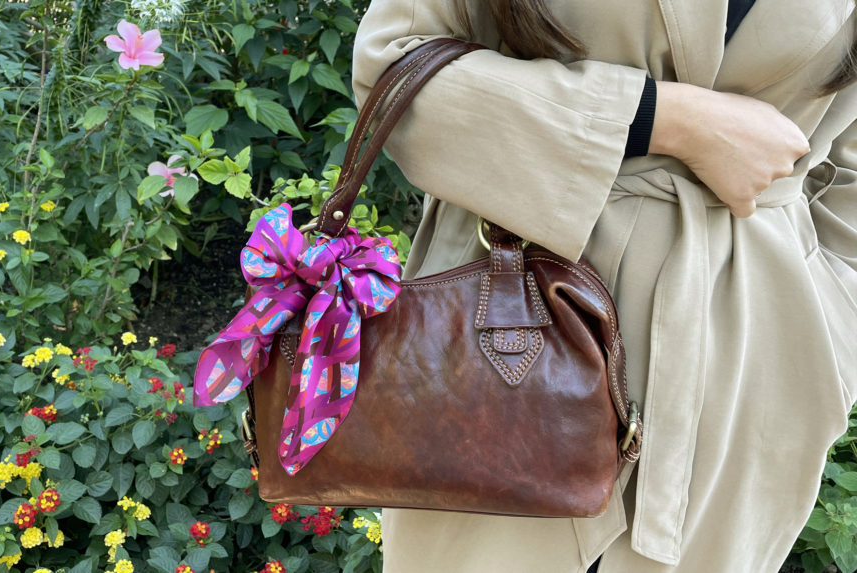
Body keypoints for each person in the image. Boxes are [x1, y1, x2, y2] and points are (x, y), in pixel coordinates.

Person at [351, 1, 857, 571]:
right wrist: (658, 118)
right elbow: (391, 69)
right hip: (503, 331)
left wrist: (838, 323)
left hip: (751, 358)